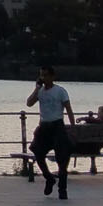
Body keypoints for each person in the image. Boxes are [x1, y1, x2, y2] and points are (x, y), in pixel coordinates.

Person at [26, 65, 72, 199]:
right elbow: (29, 103)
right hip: (44, 126)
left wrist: (73, 127)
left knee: (62, 158)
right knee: (37, 152)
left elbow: (68, 109)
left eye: (46, 75)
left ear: (52, 76)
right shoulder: (40, 91)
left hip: (57, 125)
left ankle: (62, 189)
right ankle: (49, 177)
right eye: (41, 75)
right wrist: (36, 89)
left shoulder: (60, 91)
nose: (43, 78)